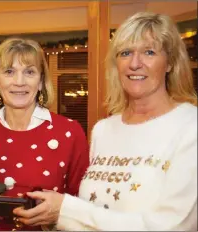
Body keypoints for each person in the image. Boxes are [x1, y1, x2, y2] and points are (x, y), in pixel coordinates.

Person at [13, 12, 197, 231]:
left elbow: (173, 226)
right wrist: (51, 214)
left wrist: (67, 211)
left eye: (149, 52)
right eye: (125, 53)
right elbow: (94, 211)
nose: (135, 63)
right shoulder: (104, 129)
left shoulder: (190, 126)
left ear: (170, 63)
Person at [0, 37, 90, 230]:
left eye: (29, 72)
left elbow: (83, 206)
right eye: (9, 72)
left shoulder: (69, 132)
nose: (19, 82)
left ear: (40, 82)